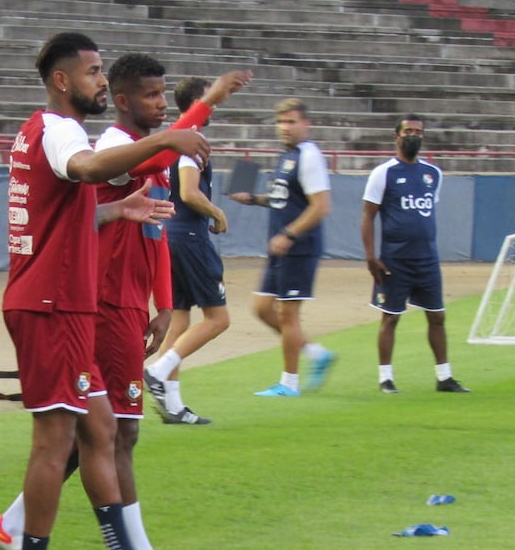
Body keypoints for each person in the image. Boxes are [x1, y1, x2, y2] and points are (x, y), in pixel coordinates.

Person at [0, 56, 250, 550]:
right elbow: (150, 158)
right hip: (95, 304)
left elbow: (151, 227)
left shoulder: (117, 147)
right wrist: (205, 105)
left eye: (164, 95)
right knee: (105, 434)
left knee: (100, 431)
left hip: (119, 303)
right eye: (151, 95)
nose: (160, 104)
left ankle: (43, 537)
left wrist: (162, 300)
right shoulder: (107, 146)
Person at [145, 74, 249, 423]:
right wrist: (216, 211)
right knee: (218, 319)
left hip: (171, 236)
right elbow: (189, 192)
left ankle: (173, 405)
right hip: (190, 236)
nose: (214, 107)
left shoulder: (174, 138)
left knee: (179, 319)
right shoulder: (192, 140)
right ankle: (158, 371)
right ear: (197, 104)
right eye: (210, 100)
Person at [230, 98, 336, 397]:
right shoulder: (287, 155)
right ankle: (316, 353)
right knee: (262, 309)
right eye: (281, 121)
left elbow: (320, 206)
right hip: (281, 247)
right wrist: (254, 199)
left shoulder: (309, 156)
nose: (285, 127)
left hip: (298, 247)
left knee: (288, 315)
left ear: (306, 124)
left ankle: (289, 383)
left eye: (291, 121)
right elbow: (284, 199)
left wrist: (289, 234)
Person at [361, 115, 470, 394]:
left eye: (418, 132)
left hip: (427, 259)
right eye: (408, 131)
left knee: (437, 316)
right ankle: (385, 378)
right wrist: (371, 257)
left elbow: (426, 211)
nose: (413, 135)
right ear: (396, 137)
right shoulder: (383, 173)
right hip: (395, 260)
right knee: (391, 317)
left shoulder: (433, 174)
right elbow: (368, 216)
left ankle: (444, 377)